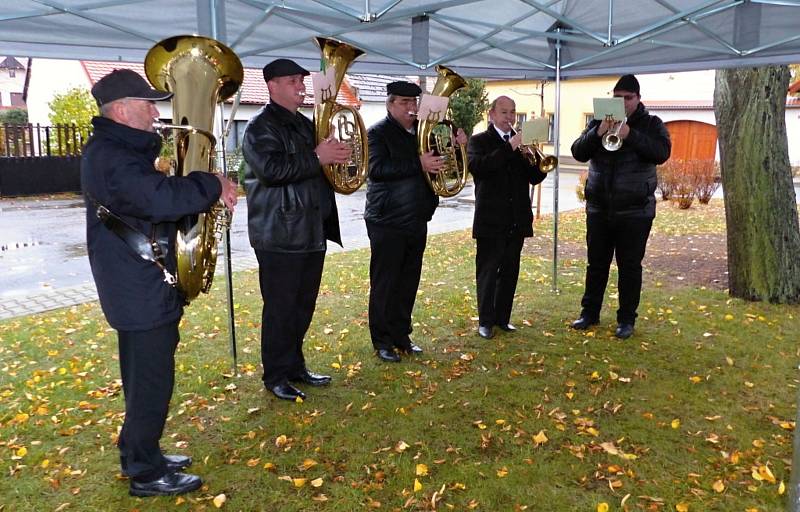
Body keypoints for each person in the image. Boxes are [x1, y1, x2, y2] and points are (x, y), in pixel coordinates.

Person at [81, 69, 238, 496]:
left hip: (138, 283)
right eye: (148, 104)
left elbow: (150, 197)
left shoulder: (116, 150)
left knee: (144, 377)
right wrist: (211, 182)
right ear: (121, 109)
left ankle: (140, 452)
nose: (156, 112)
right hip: (137, 287)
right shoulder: (112, 155)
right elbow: (158, 199)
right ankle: (146, 474)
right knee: (151, 380)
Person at [242, 58, 351, 400]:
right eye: (293, 81)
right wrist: (319, 157)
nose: (301, 86)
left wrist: (335, 157)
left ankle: (294, 366)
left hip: (309, 229)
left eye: (302, 80)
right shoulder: (259, 127)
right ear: (272, 86)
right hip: (279, 232)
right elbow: (271, 170)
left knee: (302, 305)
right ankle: (275, 375)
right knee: (280, 308)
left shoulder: (304, 124)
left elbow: (313, 166)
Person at [364, 81, 467, 362]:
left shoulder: (424, 133)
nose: (412, 108)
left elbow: (442, 163)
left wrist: (458, 148)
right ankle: (382, 340)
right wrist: (417, 163)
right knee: (385, 282)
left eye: (414, 103)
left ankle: (401, 335)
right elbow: (376, 170)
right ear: (390, 104)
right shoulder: (376, 134)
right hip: (386, 219)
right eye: (404, 103)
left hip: (416, 217)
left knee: (408, 281)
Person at [569, 74, 671, 339]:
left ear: (638, 99)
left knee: (629, 266)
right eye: (618, 98)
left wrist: (630, 134)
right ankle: (589, 314)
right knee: (596, 264)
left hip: (636, 210)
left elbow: (662, 153)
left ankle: (626, 320)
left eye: (628, 98)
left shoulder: (651, 124)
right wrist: (599, 131)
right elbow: (578, 152)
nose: (623, 103)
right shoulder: (597, 122)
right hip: (600, 208)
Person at [467, 96, 549, 340]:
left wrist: (535, 157)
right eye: (504, 112)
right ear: (491, 114)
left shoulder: (521, 144)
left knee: (510, 271)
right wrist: (510, 147)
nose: (510, 117)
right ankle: (485, 322)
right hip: (491, 219)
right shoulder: (479, 141)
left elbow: (535, 178)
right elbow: (481, 168)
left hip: (517, 218)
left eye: (513, 112)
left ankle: (503, 318)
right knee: (488, 272)